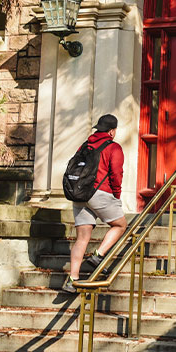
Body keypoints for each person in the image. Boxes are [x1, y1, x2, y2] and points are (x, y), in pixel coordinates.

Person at [62, 114, 126, 293]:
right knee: (120, 225)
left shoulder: (84, 145)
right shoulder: (113, 147)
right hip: (100, 192)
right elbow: (116, 174)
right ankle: (98, 256)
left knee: (82, 238)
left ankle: (72, 280)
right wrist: (117, 195)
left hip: (80, 193)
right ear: (112, 131)